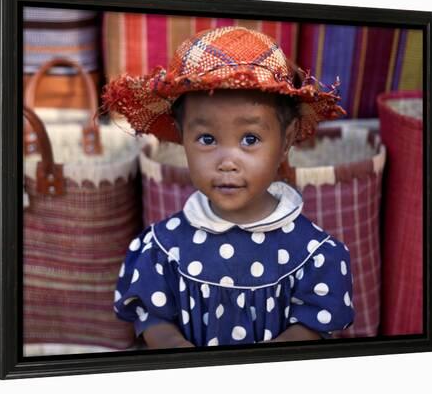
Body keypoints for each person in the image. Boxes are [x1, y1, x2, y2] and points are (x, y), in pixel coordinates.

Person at [101, 26, 354, 348]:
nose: (227, 162)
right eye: (207, 139)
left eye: (250, 139)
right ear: (182, 137)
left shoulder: (314, 254)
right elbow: (152, 318)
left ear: (286, 140)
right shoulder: (161, 248)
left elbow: (313, 326)